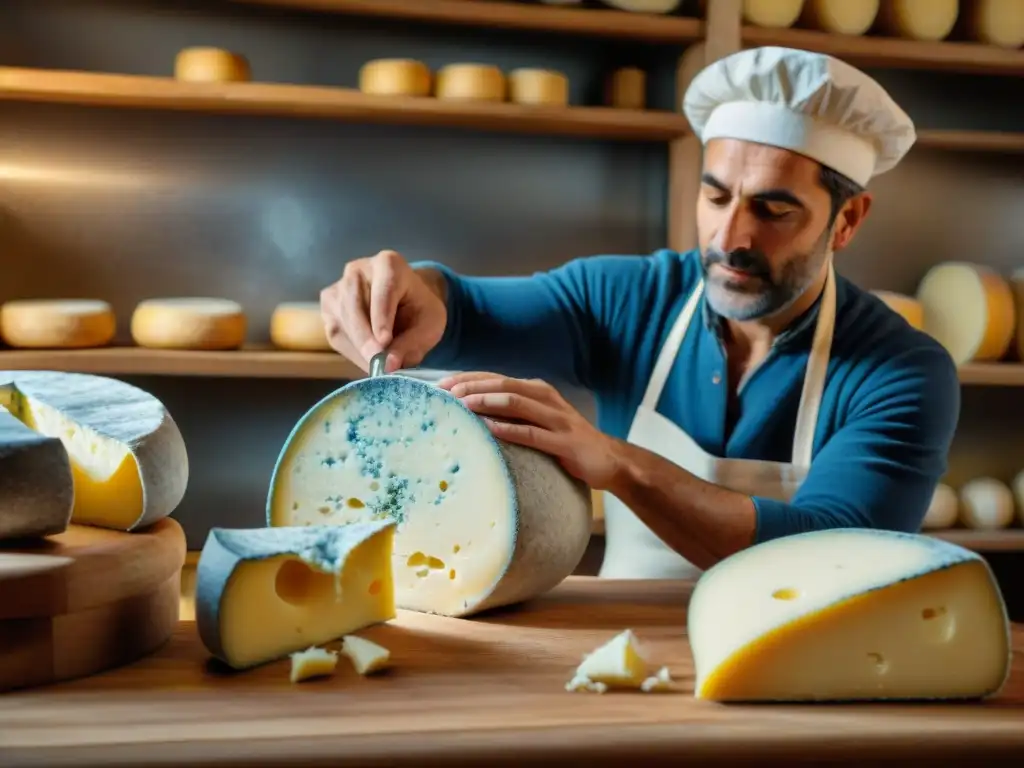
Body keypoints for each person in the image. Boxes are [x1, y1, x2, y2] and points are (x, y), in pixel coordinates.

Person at [319, 46, 961, 580]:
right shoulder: (631, 300)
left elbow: (833, 554)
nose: (728, 239)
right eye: (715, 197)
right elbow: (459, 307)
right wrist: (409, 290)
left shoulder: (901, 372)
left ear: (846, 220)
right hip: (622, 660)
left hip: (797, 685)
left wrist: (617, 463)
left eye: (773, 210)